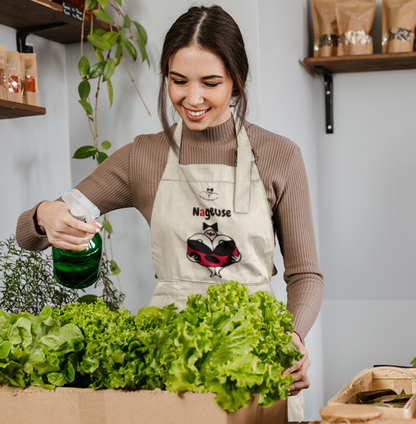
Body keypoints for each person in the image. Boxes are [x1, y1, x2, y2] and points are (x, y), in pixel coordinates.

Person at [16, 4, 323, 403]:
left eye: (210, 82)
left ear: (237, 80)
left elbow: (305, 275)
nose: (192, 98)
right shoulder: (142, 157)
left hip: (255, 354)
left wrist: (293, 335)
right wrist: (45, 214)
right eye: (178, 81)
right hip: (168, 364)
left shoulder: (280, 155)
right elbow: (29, 234)